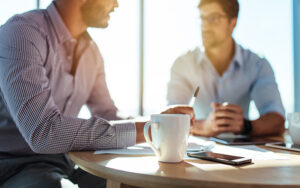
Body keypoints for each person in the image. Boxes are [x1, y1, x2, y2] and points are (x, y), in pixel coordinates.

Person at [0, 0, 194, 187]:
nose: (116, 4)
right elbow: (44, 133)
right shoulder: (22, 33)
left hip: (67, 159)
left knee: (136, 184)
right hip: (13, 163)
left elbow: (108, 114)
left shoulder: (91, 53)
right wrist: (148, 129)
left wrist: (159, 121)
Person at [167, 0, 285, 137]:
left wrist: (246, 125)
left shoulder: (257, 65)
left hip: (245, 152)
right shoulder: (183, 64)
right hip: (196, 151)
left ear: (233, 23)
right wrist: (203, 127)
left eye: (214, 18)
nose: (205, 26)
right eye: (203, 18)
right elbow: (170, 119)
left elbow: (277, 119)